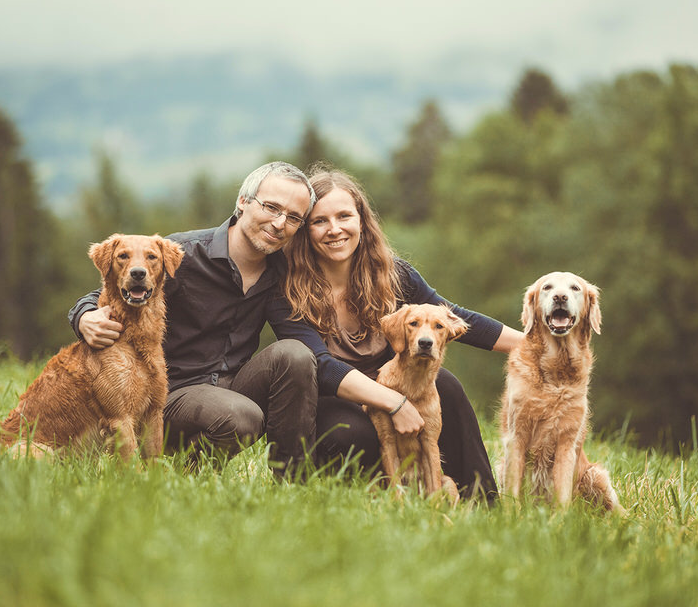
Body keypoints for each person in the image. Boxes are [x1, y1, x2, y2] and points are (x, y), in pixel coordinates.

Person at [279, 168, 524, 500]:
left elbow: (454, 318)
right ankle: (376, 502)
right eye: (319, 221)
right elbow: (321, 366)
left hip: (395, 381)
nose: (334, 229)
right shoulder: (287, 290)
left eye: (344, 216)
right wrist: (394, 403)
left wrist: (532, 344)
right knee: (352, 432)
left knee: (447, 387)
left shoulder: (394, 275)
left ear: (362, 222)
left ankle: (479, 500)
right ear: (305, 232)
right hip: (336, 398)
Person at [69, 161, 325, 476]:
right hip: (169, 398)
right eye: (271, 207)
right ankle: (183, 475)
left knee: (296, 355)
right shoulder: (185, 254)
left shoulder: (281, 273)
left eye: (294, 217)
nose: (279, 223)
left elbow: (308, 344)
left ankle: (293, 481)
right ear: (243, 202)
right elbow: (108, 292)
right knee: (239, 416)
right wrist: (83, 317)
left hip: (231, 387)